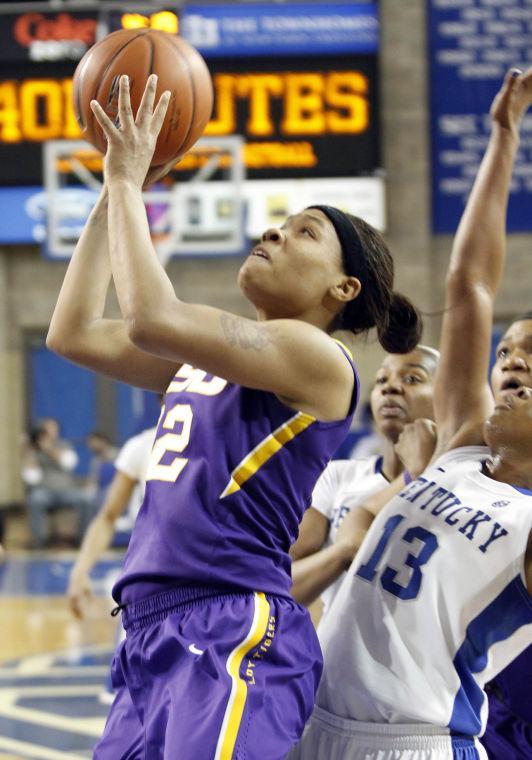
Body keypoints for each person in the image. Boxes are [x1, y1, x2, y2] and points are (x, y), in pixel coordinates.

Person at [46, 74, 421, 758]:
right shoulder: (215, 361)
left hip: (229, 624)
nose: (275, 231)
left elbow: (150, 316)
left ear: (344, 288)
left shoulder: (318, 357)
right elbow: (70, 333)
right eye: (281, 223)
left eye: (304, 233)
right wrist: (110, 192)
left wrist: (131, 181)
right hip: (149, 630)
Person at [289, 68, 532, 760]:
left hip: (414, 742)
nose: (513, 363)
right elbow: (472, 284)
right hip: (311, 718)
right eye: (510, 353)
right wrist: (503, 137)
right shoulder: (459, 447)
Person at [290, 345, 438, 613]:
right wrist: (343, 552)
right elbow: (284, 585)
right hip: (333, 653)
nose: (390, 387)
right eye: (382, 379)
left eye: (412, 378)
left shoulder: (461, 485)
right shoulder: (339, 475)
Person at [68, 424, 157, 620]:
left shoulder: (219, 434)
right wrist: (80, 570)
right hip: (150, 577)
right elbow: (107, 517)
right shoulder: (141, 446)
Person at [21, 417, 92, 548]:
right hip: (45, 491)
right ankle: (39, 542)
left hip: (67, 490)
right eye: (46, 429)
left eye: (53, 429)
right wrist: (29, 451)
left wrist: (49, 449)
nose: (50, 432)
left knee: (86, 499)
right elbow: (32, 478)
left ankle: (82, 540)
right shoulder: (34, 450)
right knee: (35, 499)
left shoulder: (65, 445)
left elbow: (69, 463)